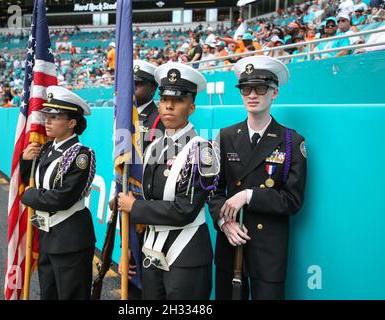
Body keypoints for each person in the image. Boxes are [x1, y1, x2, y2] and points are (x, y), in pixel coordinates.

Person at [118, 62, 220, 300]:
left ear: (192, 107)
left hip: (185, 256)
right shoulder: (155, 146)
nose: (169, 107)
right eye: (164, 100)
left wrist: (135, 207)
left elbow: (184, 210)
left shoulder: (203, 151)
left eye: (178, 101)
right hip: (152, 252)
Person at [209, 56, 307, 300]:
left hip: (268, 252)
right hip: (230, 246)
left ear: (274, 93)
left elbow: (292, 200)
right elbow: (213, 191)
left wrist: (248, 195)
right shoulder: (225, 137)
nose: (252, 95)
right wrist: (225, 223)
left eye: (260, 88)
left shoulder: (291, 141)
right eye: (245, 88)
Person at [20, 85, 96, 300]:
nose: (47, 121)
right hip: (47, 236)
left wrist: (28, 195)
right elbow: (34, 182)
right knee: (48, 294)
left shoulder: (81, 156)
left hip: (70, 239)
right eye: (46, 116)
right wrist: (26, 162)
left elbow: (62, 198)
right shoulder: (45, 149)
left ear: (71, 123)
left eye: (55, 117)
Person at [114, 59, 166, 300]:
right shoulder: (125, 119)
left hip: (149, 212)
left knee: (149, 283)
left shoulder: (161, 120)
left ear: (152, 89)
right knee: (132, 277)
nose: (131, 89)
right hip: (129, 207)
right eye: (128, 84)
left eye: (137, 84)